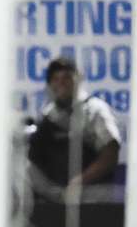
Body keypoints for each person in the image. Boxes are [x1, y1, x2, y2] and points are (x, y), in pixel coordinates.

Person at [28, 57, 121, 194]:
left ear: (78, 80)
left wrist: (79, 182)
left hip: (93, 198)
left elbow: (110, 152)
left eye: (66, 78)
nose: (61, 83)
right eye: (55, 78)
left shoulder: (94, 110)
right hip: (54, 199)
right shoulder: (48, 115)